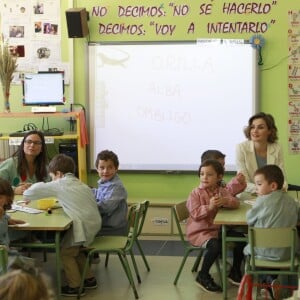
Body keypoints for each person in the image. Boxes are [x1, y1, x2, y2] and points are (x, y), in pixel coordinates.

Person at [23, 154, 102, 297]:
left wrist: (27, 190)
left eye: (52, 177)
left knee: (66, 253)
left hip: (82, 225)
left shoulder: (60, 183)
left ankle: (75, 286)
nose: (52, 180)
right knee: (76, 251)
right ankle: (89, 279)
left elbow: (31, 192)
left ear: (58, 174)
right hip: (93, 224)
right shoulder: (79, 183)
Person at [186, 159, 246, 293]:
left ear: (219, 177)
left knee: (240, 239)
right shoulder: (195, 193)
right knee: (215, 246)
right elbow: (195, 213)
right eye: (202, 174)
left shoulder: (221, 190)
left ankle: (235, 270)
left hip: (217, 229)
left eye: (209, 174)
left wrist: (226, 201)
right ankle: (203, 275)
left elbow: (236, 203)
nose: (204, 177)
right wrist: (209, 207)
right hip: (201, 232)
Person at [244, 164, 300, 299]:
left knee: (248, 251)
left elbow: (249, 220)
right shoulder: (292, 201)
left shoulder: (261, 201)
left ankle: (267, 282)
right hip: (288, 254)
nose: (256, 188)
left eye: (258, 184)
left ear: (273, 186)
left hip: (262, 254)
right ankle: (272, 283)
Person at [236, 112, 288, 194]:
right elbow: (243, 182)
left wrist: (282, 187)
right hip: (251, 194)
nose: (255, 131)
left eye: (260, 127)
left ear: (269, 131)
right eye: (252, 127)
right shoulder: (241, 148)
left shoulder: (277, 147)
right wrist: (265, 190)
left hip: (273, 194)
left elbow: (282, 177)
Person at [0, 130, 49, 195]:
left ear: (42, 148)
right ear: (23, 145)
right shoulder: (10, 163)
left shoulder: (45, 166)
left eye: (36, 143)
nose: (32, 145)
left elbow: (50, 186)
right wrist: (14, 190)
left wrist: (34, 187)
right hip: (14, 203)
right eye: (29, 142)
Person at [92, 150, 128, 236]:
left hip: (112, 230)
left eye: (110, 167)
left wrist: (86, 206)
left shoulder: (116, 187)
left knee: (79, 233)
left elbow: (105, 207)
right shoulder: (105, 182)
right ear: (97, 169)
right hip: (106, 226)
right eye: (102, 167)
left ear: (116, 168)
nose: (105, 171)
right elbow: (98, 194)